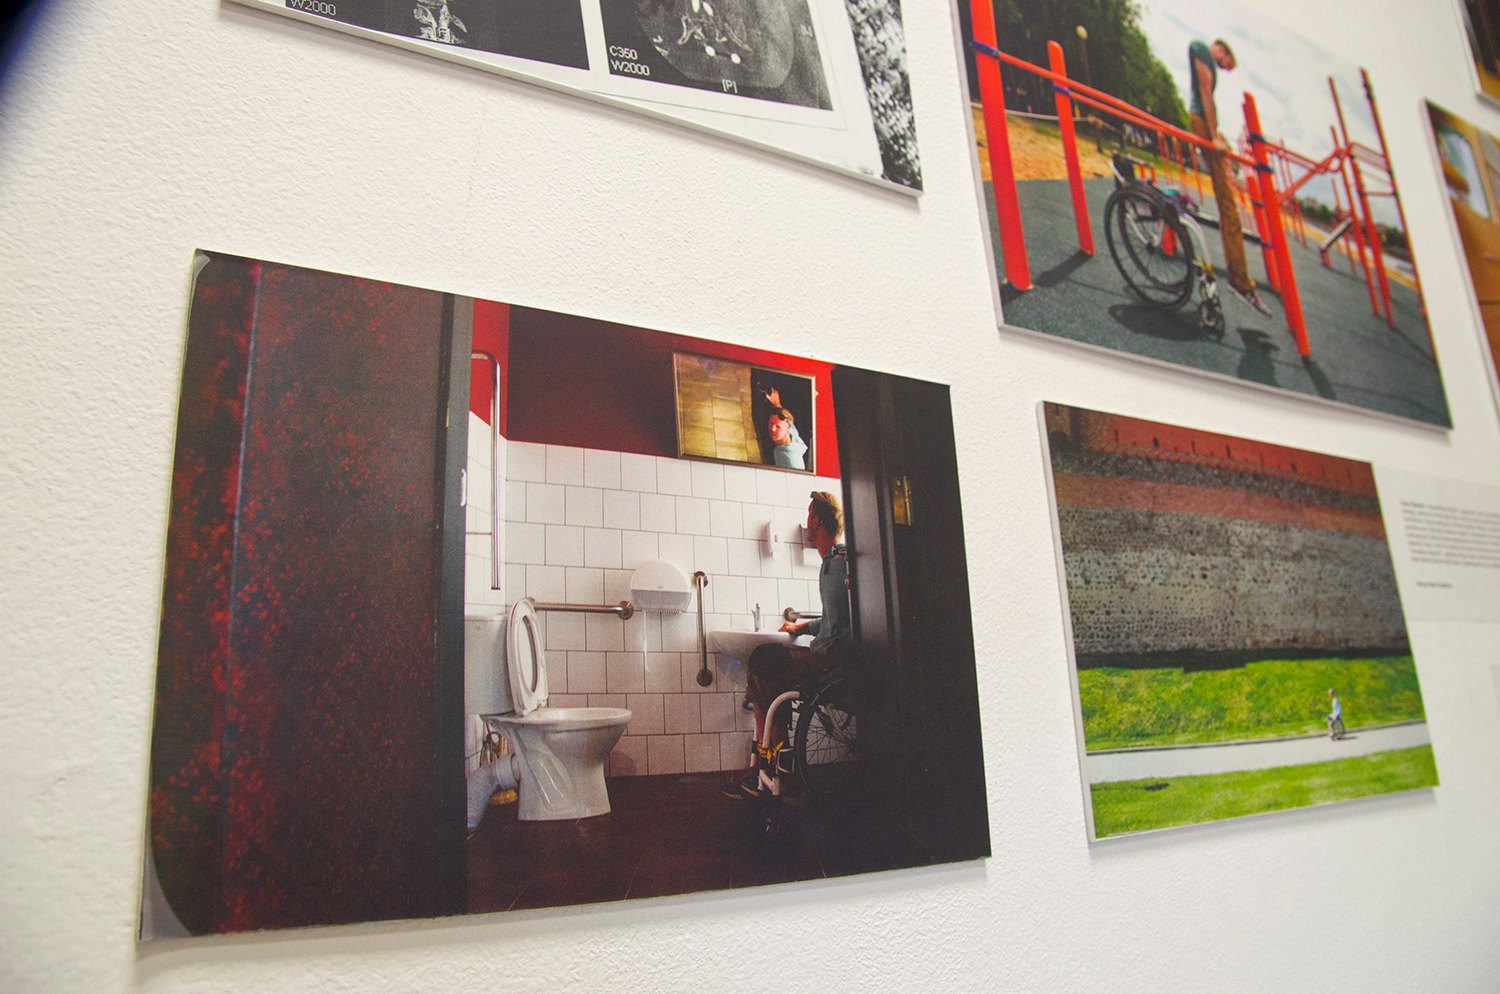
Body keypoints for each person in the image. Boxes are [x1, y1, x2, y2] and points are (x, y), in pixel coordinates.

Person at [722, 491, 851, 798]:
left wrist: (818, 639)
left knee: (768, 664)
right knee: (760, 661)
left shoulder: (838, 565)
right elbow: (832, 618)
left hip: (834, 661)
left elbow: (841, 624)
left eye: (809, 515)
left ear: (816, 520)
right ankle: (763, 765)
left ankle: (779, 768)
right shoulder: (830, 564)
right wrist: (801, 627)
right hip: (826, 653)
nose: (807, 523)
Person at [1187, 37, 1272, 318]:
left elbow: (1205, 93)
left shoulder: (1204, 57)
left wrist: (1218, 133)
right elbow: (1205, 92)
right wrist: (1214, 135)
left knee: (1229, 209)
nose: (1224, 69)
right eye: (1226, 64)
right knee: (1229, 209)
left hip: (1204, 123)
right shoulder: (1201, 48)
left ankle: (1239, 279)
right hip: (1202, 123)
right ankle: (1239, 281)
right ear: (1221, 50)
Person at [762, 386, 808, 470]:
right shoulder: (791, 432)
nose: (772, 429)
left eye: (778, 427)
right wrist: (776, 403)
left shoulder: (790, 461)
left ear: (787, 429)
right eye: (771, 423)